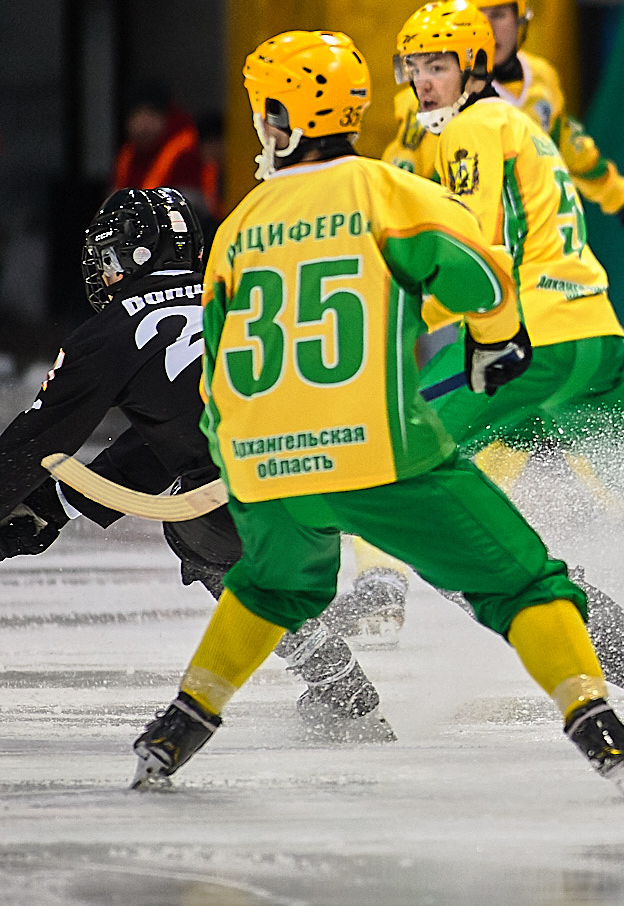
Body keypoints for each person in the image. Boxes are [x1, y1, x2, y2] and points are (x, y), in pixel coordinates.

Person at [129, 30, 624, 792]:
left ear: (284, 117)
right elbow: (487, 273)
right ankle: (598, 725)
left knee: (272, 587)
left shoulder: (240, 224)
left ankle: (181, 719)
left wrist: (241, 455)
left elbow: (216, 380)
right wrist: (490, 343)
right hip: (379, 452)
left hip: (265, 464)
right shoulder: (386, 190)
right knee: (524, 582)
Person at [371, 0, 624, 746]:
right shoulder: (524, 120)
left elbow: (476, 253)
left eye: (438, 65)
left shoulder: (471, 131)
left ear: (472, 66)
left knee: (393, 447)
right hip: (597, 336)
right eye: (414, 68)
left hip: (534, 342)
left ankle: (377, 589)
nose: (424, 83)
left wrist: (393, 322)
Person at [0, 187, 390, 738]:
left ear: (140, 255)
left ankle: (333, 677)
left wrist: (36, 505)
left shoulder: (113, 333)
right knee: (451, 552)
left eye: (110, 257)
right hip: (351, 450)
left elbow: (33, 443)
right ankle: (528, 598)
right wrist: (57, 504)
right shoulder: (236, 292)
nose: (103, 272)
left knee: (198, 522)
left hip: (255, 488)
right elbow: (179, 431)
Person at [380, 0, 624, 265]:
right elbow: (400, 179)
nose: (487, 28)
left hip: (538, 259)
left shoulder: (542, 80)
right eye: (476, 15)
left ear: (521, 17)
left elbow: (572, 152)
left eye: (498, 15)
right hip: (470, 260)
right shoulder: (432, 96)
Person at [111, 80, 205, 195]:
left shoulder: (188, 151)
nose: (143, 124)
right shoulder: (128, 154)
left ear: (167, 118)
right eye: (136, 115)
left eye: (151, 114)